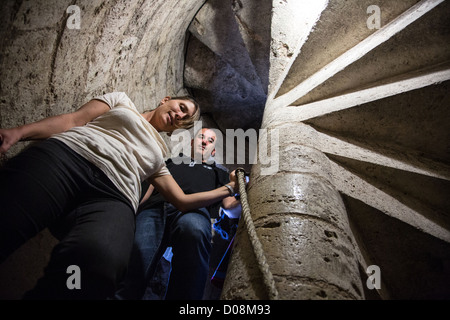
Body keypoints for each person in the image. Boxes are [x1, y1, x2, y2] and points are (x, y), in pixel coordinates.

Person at [0, 92, 239, 299]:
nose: (179, 116)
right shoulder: (123, 103)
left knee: (101, 266)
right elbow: (73, 120)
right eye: (181, 108)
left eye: (185, 120)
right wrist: (19, 133)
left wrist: (232, 187)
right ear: (166, 100)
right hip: (71, 157)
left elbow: (190, 202)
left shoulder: (161, 157)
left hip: (115, 194)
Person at [115, 127, 241, 300]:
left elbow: (230, 210)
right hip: (156, 208)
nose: (204, 141)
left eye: (210, 141)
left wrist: (243, 189)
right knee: (137, 259)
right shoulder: (172, 161)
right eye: (201, 137)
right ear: (191, 142)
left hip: (194, 211)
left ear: (213, 150)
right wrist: (129, 214)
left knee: (194, 233)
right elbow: (149, 190)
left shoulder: (219, 171)